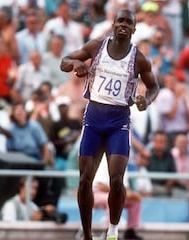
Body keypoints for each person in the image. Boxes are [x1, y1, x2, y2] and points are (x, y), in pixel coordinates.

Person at [60, 9, 159, 240]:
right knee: (85, 180)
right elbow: (64, 62)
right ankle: (86, 234)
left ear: (134, 29)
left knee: (116, 179)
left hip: (118, 121)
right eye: (120, 21)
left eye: (129, 22)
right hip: (94, 118)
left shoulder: (139, 59)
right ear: (113, 24)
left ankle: (113, 230)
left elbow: (154, 86)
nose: (124, 25)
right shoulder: (96, 47)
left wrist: (147, 100)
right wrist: (76, 62)